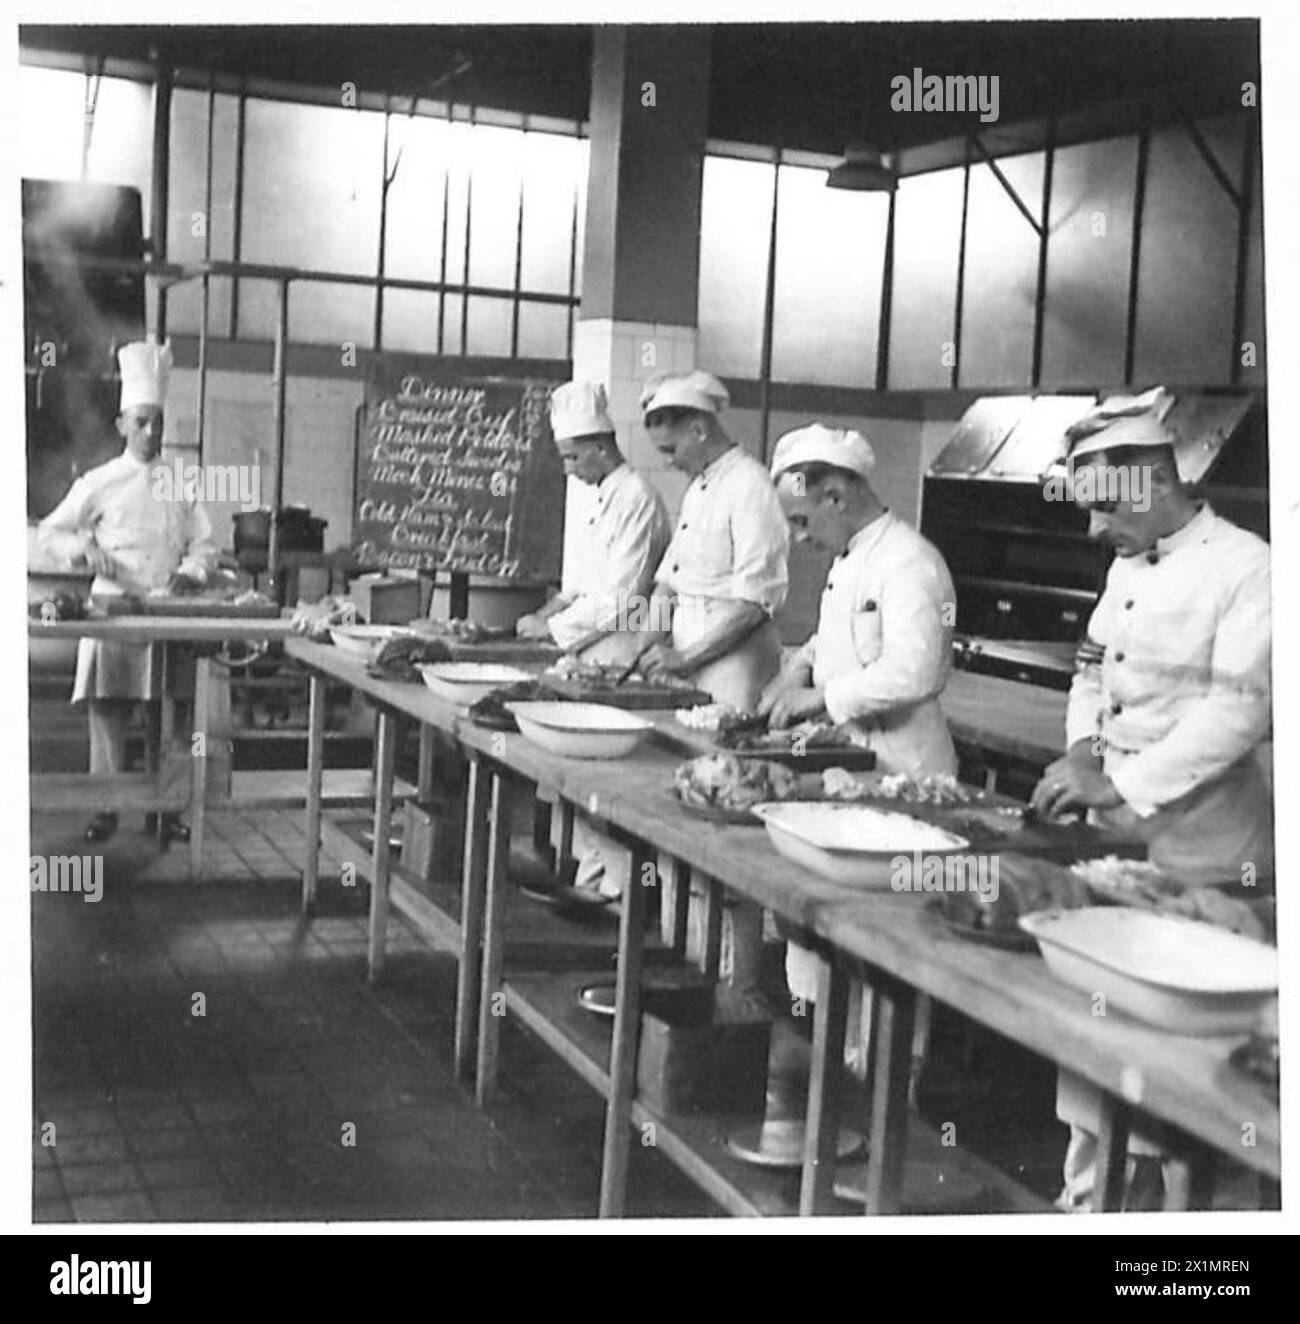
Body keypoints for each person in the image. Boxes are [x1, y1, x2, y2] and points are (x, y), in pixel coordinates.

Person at [1029, 396, 1273, 1211]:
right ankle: (1085, 1206)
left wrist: (1124, 784)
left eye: (1103, 506)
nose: (1094, 528)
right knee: (1093, 1045)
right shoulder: (1127, 563)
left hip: (1201, 848)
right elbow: (1093, 668)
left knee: (1177, 1069)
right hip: (1114, 841)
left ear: (1154, 481)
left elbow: (1241, 710)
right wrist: (1082, 749)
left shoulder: (1250, 567)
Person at [761, 423, 959, 1034]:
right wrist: (796, 666)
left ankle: (881, 1092)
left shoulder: (910, 561)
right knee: (828, 934)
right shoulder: (851, 557)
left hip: (906, 774)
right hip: (854, 769)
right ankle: (825, 1072)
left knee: (883, 949)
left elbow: (914, 671)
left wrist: (819, 700)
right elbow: (836, 636)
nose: (800, 538)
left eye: (801, 521)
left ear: (836, 498)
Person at [38, 340, 216, 844]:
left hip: (166, 611)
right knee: (108, 711)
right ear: (122, 425)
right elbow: (49, 533)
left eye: (157, 421)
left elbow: (206, 545)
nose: (151, 431)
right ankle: (106, 807)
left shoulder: (181, 482)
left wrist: (192, 572)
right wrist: (82, 552)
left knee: (176, 716)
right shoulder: (101, 481)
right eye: (141, 421)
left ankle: (167, 809)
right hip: (112, 610)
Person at [638, 370, 789, 711]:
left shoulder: (752, 486)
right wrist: (649, 635)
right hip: (684, 660)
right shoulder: (697, 489)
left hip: (733, 667)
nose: (668, 461)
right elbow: (670, 580)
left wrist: (685, 658)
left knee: (721, 755)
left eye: (670, 449)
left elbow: (754, 605)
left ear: (699, 430)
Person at [515, 381, 670, 663]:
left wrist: (551, 628)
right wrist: (543, 614)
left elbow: (624, 599)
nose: (568, 470)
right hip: (589, 649)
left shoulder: (637, 498)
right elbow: (582, 585)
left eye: (572, 458)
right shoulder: (603, 499)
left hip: (621, 652)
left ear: (600, 447)